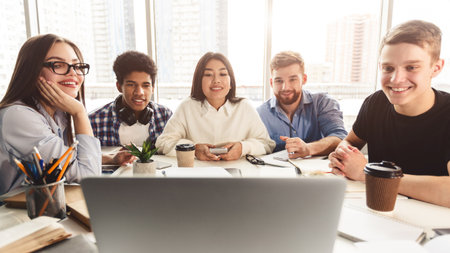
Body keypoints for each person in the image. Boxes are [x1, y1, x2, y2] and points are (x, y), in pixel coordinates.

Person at [328, 20, 450, 208]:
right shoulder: (375, 102)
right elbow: (351, 141)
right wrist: (343, 153)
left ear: (436, 67)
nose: (396, 79)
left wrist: (367, 174)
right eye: (388, 68)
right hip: (377, 212)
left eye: (411, 67)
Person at [0, 34, 101, 195]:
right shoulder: (19, 116)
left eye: (77, 65)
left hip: (42, 208)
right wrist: (79, 112)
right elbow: (89, 178)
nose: (73, 73)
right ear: (32, 71)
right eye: (58, 65)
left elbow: (66, 160)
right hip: (14, 215)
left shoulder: (57, 112)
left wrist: (108, 159)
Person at [156, 52, 275, 160]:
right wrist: (193, 149)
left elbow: (266, 144)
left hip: (238, 177)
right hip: (197, 176)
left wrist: (243, 148)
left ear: (231, 82)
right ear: (199, 80)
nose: (216, 80)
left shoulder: (244, 107)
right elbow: (163, 143)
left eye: (223, 74)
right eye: (208, 74)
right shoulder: (187, 107)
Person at [257, 51, 347, 158]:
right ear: (271, 83)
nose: (285, 87)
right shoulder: (259, 114)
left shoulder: (322, 103)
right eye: (279, 81)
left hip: (316, 172)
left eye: (292, 79)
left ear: (304, 79)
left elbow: (340, 137)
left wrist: (308, 149)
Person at [89, 51, 172, 165]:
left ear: (153, 88)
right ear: (119, 86)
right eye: (131, 84)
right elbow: (84, 159)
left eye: (145, 85)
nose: (139, 92)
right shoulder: (95, 120)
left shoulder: (166, 116)